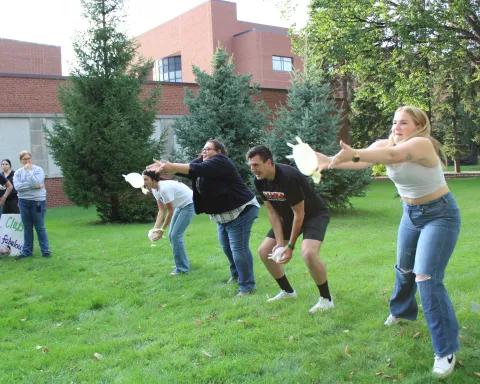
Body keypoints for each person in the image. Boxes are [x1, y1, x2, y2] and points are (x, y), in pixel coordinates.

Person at [318, 106, 460, 379]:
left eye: (403, 122)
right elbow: (359, 161)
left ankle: (445, 349)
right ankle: (402, 311)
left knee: (426, 277)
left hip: (440, 215)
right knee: (404, 268)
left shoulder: (421, 144)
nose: (396, 127)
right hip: (410, 214)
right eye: (394, 122)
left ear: (418, 125)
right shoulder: (385, 144)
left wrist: (356, 152)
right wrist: (324, 160)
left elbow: (394, 156)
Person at [147, 139, 259, 296]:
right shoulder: (202, 163)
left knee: (238, 249)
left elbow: (197, 168)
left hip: (241, 210)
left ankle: (247, 286)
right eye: (203, 149)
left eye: (208, 149)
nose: (204, 152)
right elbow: (191, 169)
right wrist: (167, 169)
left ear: (219, 151)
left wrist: (171, 166)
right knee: (227, 248)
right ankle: (236, 275)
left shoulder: (221, 161)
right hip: (223, 215)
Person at [247, 145, 334, 313]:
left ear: (269, 162)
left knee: (308, 253)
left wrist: (290, 246)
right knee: (265, 252)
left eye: (256, 165)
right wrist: (280, 242)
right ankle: (287, 291)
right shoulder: (259, 181)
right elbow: (272, 212)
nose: (253, 169)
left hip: (313, 215)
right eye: (250, 165)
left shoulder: (288, 177)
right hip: (287, 217)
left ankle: (326, 299)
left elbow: (299, 214)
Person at [142, 170, 195, 276]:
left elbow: (169, 212)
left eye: (146, 179)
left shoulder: (164, 189)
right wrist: (155, 229)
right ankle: (183, 263)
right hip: (180, 206)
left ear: (153, 179)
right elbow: (161, 211)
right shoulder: (155, 189)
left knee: (175, 235)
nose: (144, 182)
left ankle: (183, 269)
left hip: (189, 204)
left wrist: (162, 230)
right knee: (172, 235)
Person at [13, 151, 51, 259]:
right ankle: (27, 252)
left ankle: (45, 251)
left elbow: (35, 183)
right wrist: (33, 186)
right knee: (27, 228)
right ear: (21, 161)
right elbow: (17, 187)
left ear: (31, 159)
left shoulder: (38, 170)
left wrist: (29, 171)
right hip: (23, 202)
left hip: (37, 201)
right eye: (24, 159)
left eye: (28, 158)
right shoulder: (18, 173)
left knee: (40, 227)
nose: (27, 161)